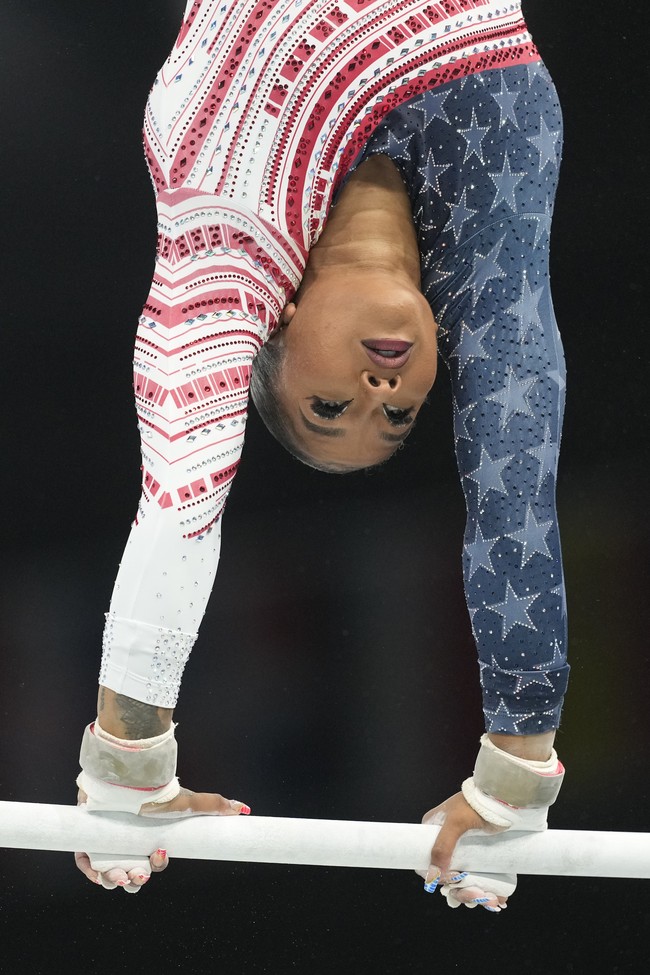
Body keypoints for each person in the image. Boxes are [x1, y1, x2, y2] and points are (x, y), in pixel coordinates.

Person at [75, 0, 569, 911]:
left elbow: (184, 487)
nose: (384, 398)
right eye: (400, 418)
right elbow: (515, 475)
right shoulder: (493, 188)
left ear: (274, 328)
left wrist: (127, 758)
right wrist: (516, 773)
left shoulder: (224, 229)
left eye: (329, 404)